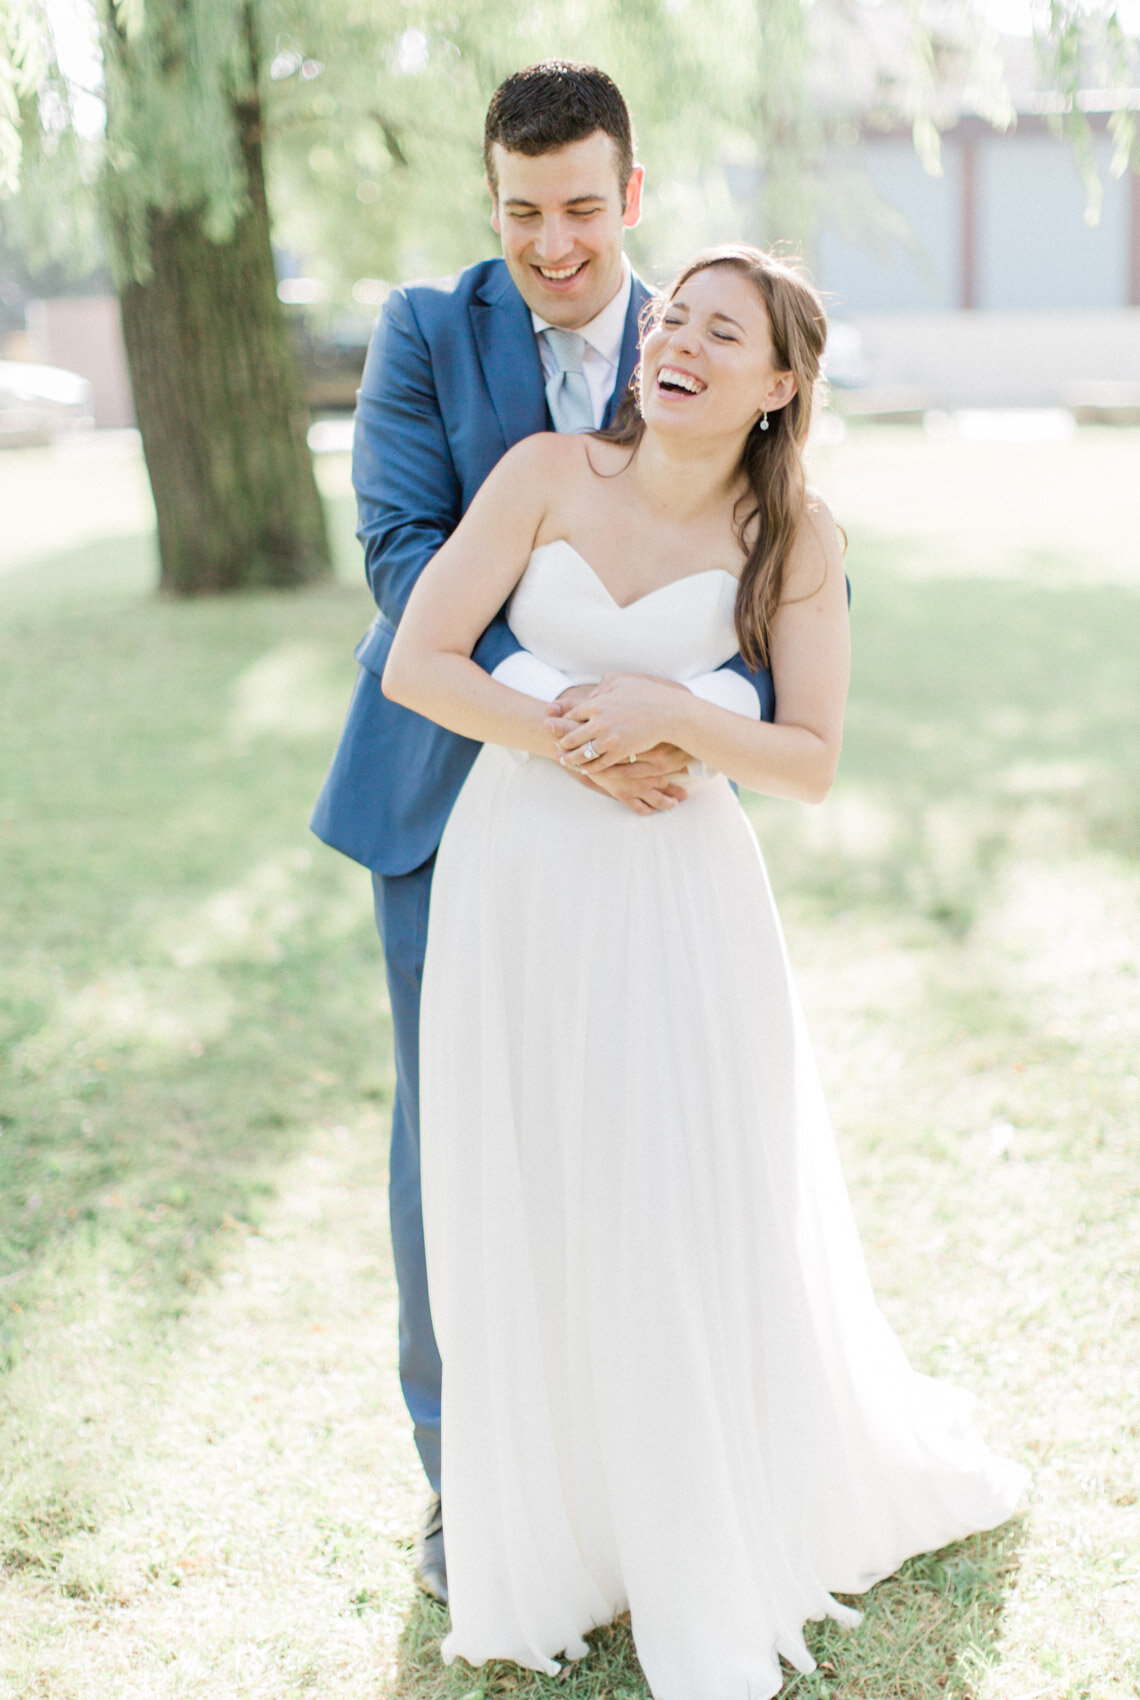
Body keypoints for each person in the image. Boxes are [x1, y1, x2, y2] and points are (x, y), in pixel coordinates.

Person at [381, 245, 1028, 1700]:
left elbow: (807, 760)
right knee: (538, 1180)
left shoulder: (796, 535)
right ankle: (567, 1538)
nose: (672, 339)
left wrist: (674, 712)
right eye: (668, 316)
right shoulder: (546, 474)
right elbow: (420, 663)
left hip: (681, 900)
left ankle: (695, 1521)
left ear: (780, 382)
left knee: (671, 1189)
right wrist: (573, 741)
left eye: (717, 331)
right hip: (520, 878)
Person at [310, 62, 769, 1599]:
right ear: (490, 202)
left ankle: (649, 1472)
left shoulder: (707, 330)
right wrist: (566, 716)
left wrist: (693, 717)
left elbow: (766, 571)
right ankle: (469, 1490)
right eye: (522, 214)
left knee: (641, 1141)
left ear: (630, 195)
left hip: (652, 824)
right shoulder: (431, 333)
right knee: (457, 1145)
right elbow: (399, 554)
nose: (554, 244)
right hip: (449, 809)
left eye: (582, 208)